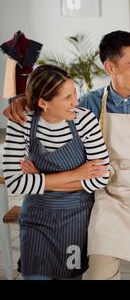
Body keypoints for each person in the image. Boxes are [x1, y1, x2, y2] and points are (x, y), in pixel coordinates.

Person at [3, 30, 130, 280]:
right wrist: (25, 101)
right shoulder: (87, 105)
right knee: (99, 274)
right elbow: (52, 110)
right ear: (110, 67)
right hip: (108, 199)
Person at [2, 64, 110, 280]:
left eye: (75, 94)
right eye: (67, 97)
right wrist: (76, 173)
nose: (75, 103)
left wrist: (38, 179)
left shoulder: (85, 120)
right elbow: (14, 183)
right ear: (43, 103)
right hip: (36, 218)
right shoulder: (21, 121)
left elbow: (101, 178)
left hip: (76, 220)